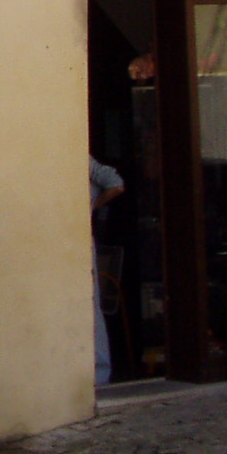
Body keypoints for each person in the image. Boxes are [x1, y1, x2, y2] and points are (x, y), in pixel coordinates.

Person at [90, 157, 125, 386]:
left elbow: (116, 184)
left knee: (92, 304)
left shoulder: (82, 159)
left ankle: (101, 373)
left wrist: (91, 206)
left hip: (82, 237)